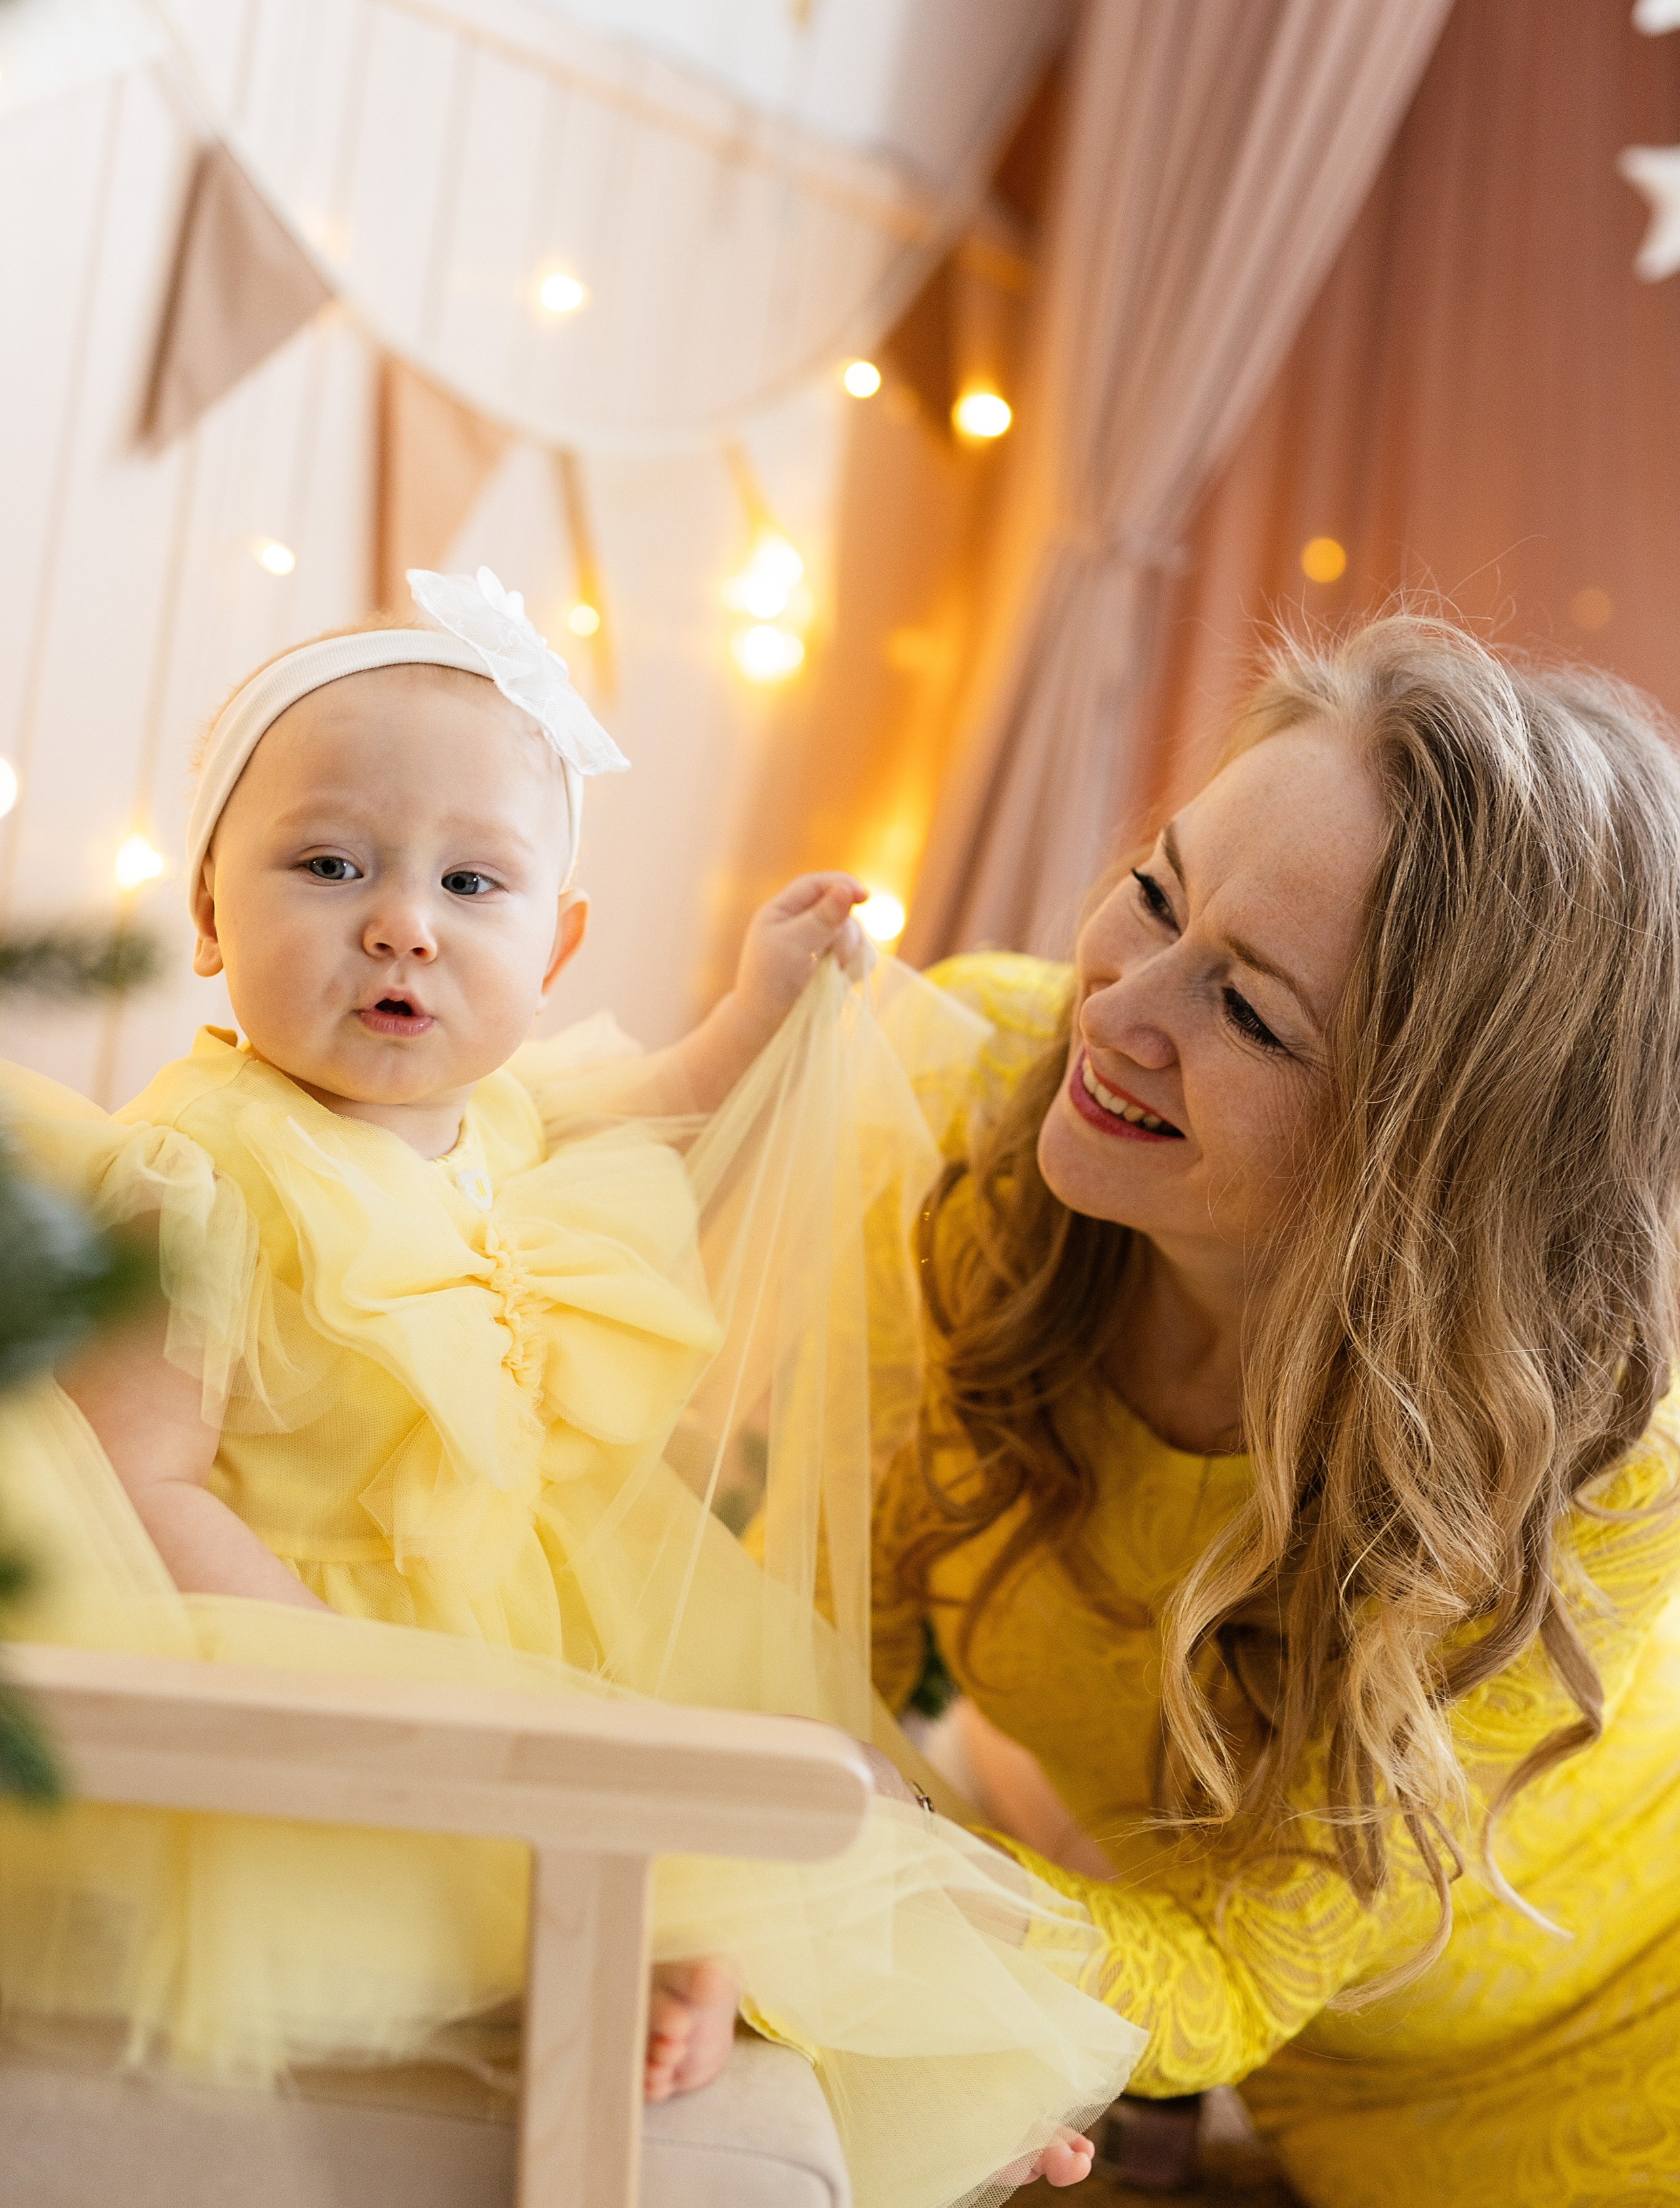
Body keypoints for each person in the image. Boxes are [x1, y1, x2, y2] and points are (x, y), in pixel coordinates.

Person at [0, 568, 1136, 2208]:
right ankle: (651, 1980)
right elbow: (142, 1481)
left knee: (820, 1804)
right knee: (544, 1844)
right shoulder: (200, 1171)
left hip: (533, 1622)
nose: (403, 920)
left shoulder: (504, 1112)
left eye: (474, 882)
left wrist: (758, 1000)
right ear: (206, 912)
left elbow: (661, 1102)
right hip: (325, 1641)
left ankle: (915, 2066)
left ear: (557, 941)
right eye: (330, 866)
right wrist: (347, 1682)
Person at [872, 615, 1680, 2208]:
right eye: (1158, 891)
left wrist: (831, 1899)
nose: (1113, 1009)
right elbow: (829, 1625)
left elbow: (1225, 1972)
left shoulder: (1587, 1474)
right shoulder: (969, 1092)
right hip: (1308, 2091)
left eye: (1247, 1014)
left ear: (1430, 1168)